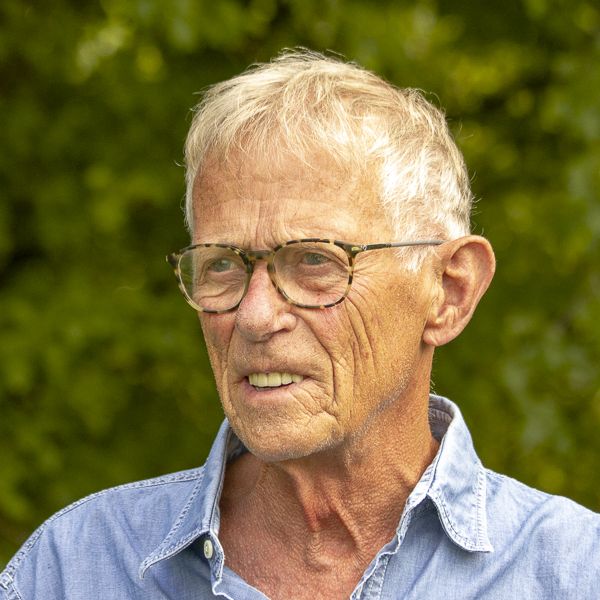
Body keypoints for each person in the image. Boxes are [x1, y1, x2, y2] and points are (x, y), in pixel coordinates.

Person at [1, 49, 598, 600]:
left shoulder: (572, 573)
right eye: (222, 265)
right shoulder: (73, 570)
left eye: (315, 261)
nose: (255, 316)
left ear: (449, 291)